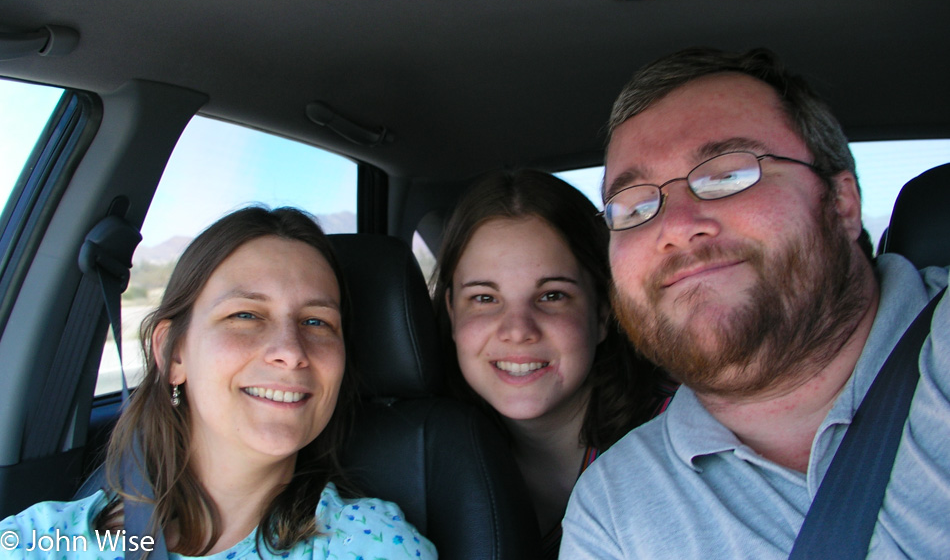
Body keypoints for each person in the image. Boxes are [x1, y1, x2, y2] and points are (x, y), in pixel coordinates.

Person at [560, 47, 950, 558]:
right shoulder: (612, 509)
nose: (674, 228)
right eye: (633, 207)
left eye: (727, 174)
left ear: (842, 204)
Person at [0, 207, 437, 559]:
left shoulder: (371, 545)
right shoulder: (42, 540)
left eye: (316, 321)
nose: (291, 349)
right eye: (245, 315)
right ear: (172, 354)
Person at [433, 170, 674, 559]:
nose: (517, 330)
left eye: (552, 295)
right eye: (483, 298)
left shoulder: (681, 441)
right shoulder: (420, 459)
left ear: (602, 313)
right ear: (452, 315)